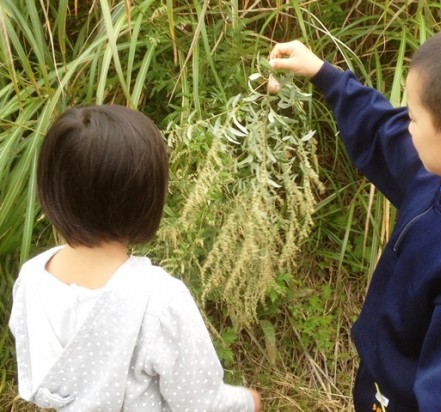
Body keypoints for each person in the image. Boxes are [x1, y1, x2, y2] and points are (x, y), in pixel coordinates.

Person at [269, 21, 441, 411]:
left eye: (414, 117)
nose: (408, 128)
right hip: (379, 386)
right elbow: (384, 129)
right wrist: (322, 73)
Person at [9, 104, 261, 412]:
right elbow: (201, 404)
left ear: (51, 189)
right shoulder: (159, 300)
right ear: (147, 197)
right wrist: (246, 402)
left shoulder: (32, 278)